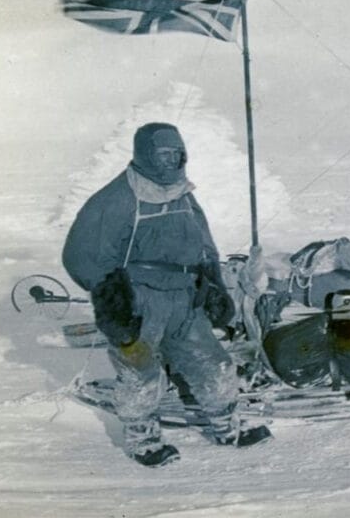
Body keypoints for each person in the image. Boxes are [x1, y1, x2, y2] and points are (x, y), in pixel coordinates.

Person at [62, 122, 271, 467]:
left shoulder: (182, 195)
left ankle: (227, 427)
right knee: (140, 372)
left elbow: (203, 242)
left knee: (214, 363)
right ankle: (143, 441)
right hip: (140, 300)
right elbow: (81, 255)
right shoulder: (117, 199)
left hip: (184, 299)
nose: (171, 161)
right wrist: (113, 301)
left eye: (177, 154)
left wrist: (213, 284)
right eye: (163, 154)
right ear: (145, 155)